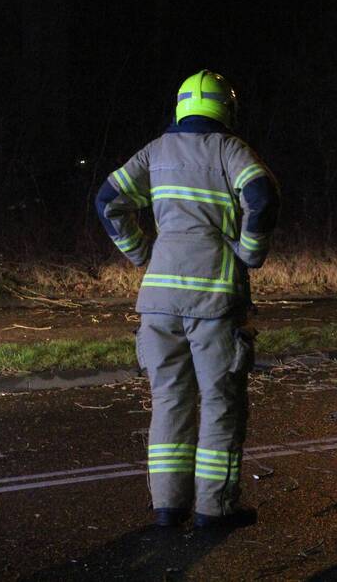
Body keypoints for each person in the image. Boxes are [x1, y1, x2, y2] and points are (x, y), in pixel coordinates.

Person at [96, 70, 280, 529]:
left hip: (157, 301)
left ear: (182, 106)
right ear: (227, 108)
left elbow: (108, 200)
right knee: (219, 402)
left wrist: (141, 251)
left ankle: (167, 507)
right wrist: (250, 252)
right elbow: (262, 193)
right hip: (214, 303)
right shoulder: (229, 150)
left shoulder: (156, 152)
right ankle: (213, 510)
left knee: (169, 401)